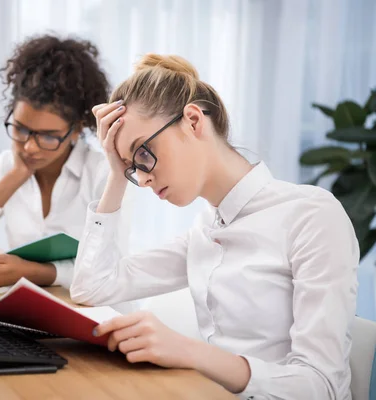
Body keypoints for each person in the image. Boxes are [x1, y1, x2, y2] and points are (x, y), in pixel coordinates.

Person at [70, 53, 358, 399]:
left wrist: (190, 353)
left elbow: (321, 386)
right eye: (134, 167)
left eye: (143, 153)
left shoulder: (311, 216)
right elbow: (91, 287)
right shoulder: (206, 229)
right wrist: (116, 173)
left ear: (193, 121)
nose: (143, 180)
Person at [0, 34, 123, 291]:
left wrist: (34, 272)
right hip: (29, 313)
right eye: (21, 129)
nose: (29, 147)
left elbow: (111, 268)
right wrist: (14, 177)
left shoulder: (106, 174)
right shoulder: (5, 166)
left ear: (77, 129)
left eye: (47, 136)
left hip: (99, 315)